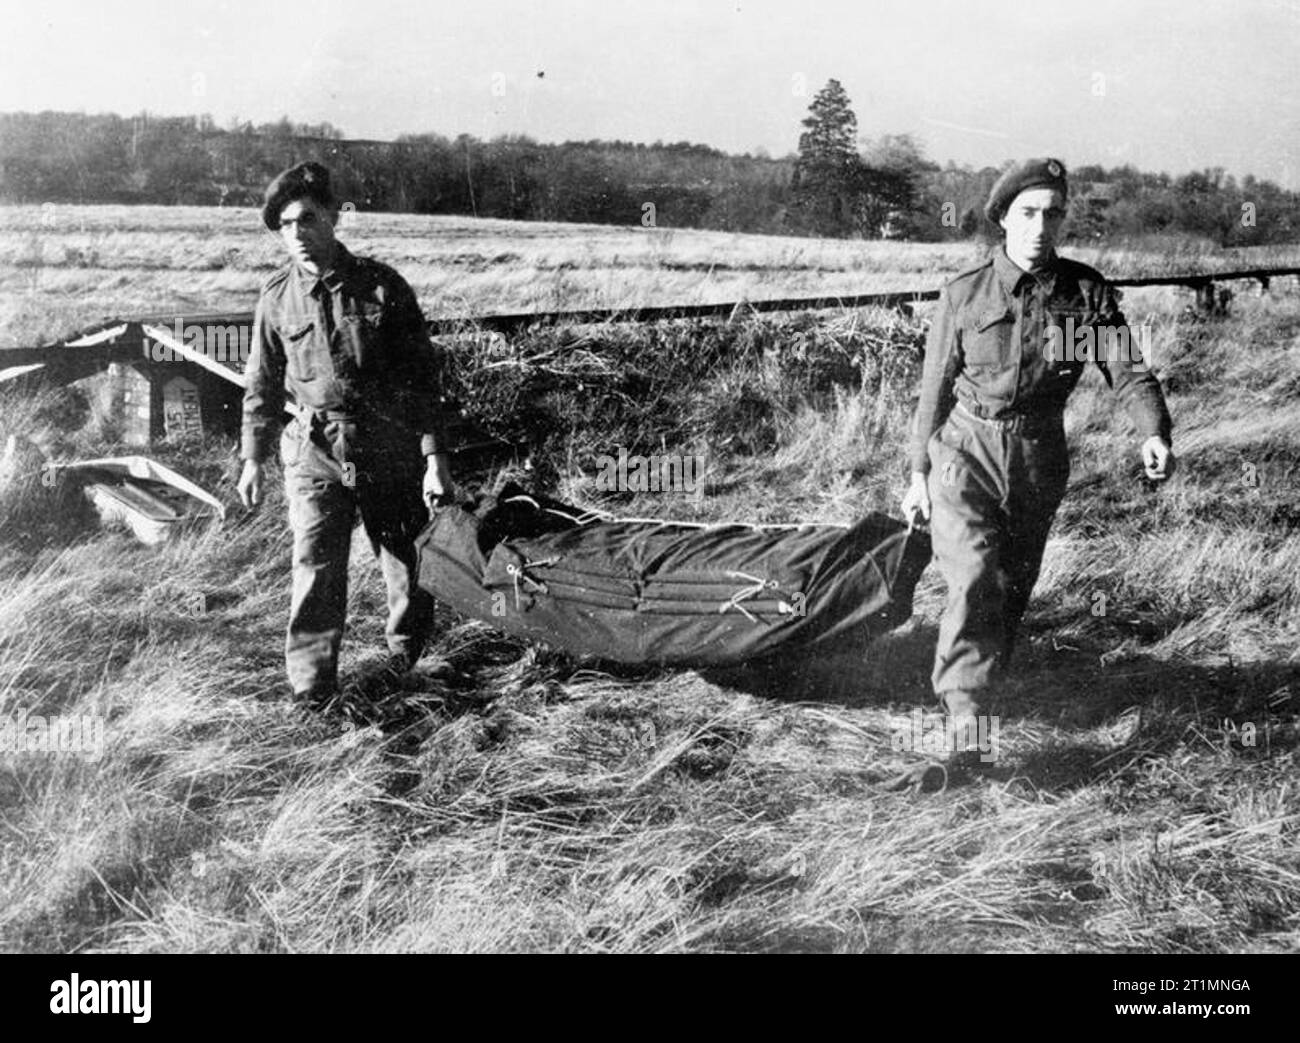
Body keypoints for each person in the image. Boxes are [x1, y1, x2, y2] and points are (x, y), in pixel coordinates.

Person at [899, 157, 1175, 777]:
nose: (1040, 226)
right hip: (965, 451)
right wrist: (917, 472)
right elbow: (933, 391)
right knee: (973, 576)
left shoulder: (1084, 293)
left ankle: (985, 693)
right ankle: (966, 727)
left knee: (1013, 586)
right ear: (1003, 218)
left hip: (1038, 457)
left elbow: (1127, 372)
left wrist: (1153, 432)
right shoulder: (965, 292)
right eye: (1027, 213)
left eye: (1052, 213)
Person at [236, 161, 455, 709]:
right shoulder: (276, 297)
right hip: (313, 447)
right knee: (315, 563)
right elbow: (260, 382)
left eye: (307, 219)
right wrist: (252, 459)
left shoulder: (383, 287)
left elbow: (422, 379)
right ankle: (313, 688)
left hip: (385, 445)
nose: (297, 234)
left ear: (334, 217)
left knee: (405, 557)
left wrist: (434, 457)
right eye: (285, 225)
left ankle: (409, 661)